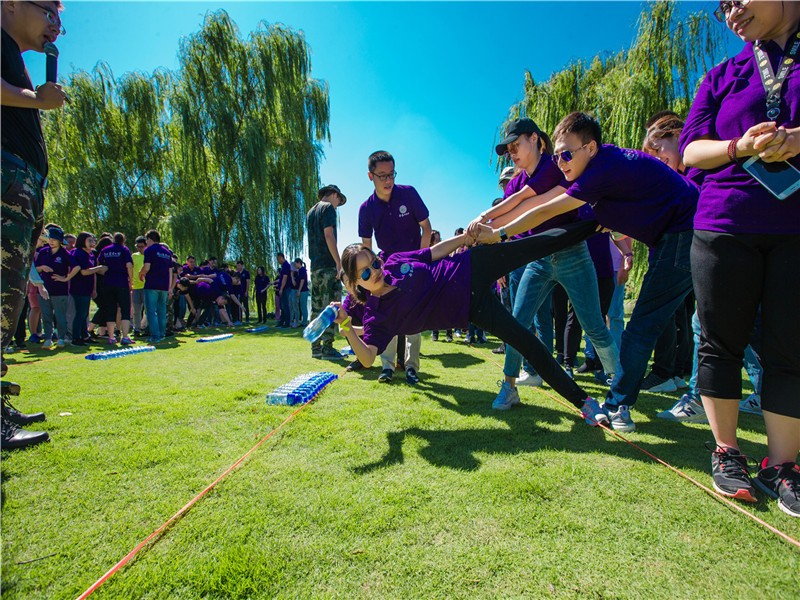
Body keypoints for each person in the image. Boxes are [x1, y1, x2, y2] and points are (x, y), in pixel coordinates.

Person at [471, 111, 698, 432]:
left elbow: (548, 207)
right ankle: (513, 386)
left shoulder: (596, 170)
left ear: (590, 148)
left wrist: (497, 234)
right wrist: (489, 225)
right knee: (518, 321)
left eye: (567, 154)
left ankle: (618, 398)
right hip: (663, 237)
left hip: (683, 231)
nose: (561, 161)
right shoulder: (593, 170)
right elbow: (535, 204)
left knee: (629, 325)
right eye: (559, 155)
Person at [678, 0, 800, 515]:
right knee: (719, 340)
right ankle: (727, 451)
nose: (732, 12)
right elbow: (689, 151)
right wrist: (737, 147)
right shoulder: (721, 75)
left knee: (789, 345)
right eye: (723, 6)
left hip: (794, 227)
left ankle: (784, 463)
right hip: (724, 220)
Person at [335, 223, 608, 426]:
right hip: (473, 309)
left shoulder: (394, 262)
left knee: (532, 245)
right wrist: (347, 328)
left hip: (471, 266)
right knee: (527, 343)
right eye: (367, 272)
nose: (377, 271)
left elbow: (432, 252)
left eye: (375, 262)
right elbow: (368, 358)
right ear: (355, 282)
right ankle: (583, 402)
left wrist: (464, 239)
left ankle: (596, 223)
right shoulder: (376, 316)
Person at [472, 118, 621, 411]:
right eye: (509, 148)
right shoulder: (515, 181)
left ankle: (618, 388)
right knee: (515, 323)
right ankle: (509, 386)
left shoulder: (555, 167)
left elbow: (527, 205)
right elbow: (507, 218)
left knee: (593, 325)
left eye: (517, 145)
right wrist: (480, 229)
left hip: (573, 255)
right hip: (536, 260)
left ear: (536, 140)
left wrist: (485, 219)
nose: (512, 152)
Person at [1, 0, 67, 448]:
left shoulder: (11, 54)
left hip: (21, 186)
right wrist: (34, 99)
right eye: (48, 10)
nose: (55, 25)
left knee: (5, 305)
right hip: (7, 180)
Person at [358, 150, 433, 384]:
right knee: (387, 315)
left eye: (391, 174)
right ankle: (387, 366)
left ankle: (412, 366)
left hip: (413, 264)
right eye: (382, 176)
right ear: (370, 176)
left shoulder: (408, 194)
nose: (388, 180)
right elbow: (366, 248)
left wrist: (420, 259)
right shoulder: (366, 208)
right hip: (386, 267)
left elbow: (426, 228)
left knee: (414, 316)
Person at [306, 184, 346, 358]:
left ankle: (315, 347)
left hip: (315, 266)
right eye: (339, 201)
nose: (338, 205)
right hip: (328, 265)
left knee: (316, 307)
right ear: (334, 195)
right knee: (331, 306)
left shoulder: (310, 212)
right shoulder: (328, 208)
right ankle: (328, 348)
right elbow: (329, 235)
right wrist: (338, 263)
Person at [34, 226, 75, 348]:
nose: (51, 241)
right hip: (43, 289)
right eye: (50, 238)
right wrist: (42, 268)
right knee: (46, 315)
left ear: (60, 241)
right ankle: (48, 338)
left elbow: (77, 266)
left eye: (54, 239)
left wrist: (66, 278)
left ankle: (61, 338)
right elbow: (34, 269)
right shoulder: (43, 251)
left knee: (60, 316)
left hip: (60, 290)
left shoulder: (65, 253)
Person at [69, 232, 107, 346]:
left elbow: (92, 273)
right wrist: (99, 268)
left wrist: (94, 289)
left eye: (93, 241)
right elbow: (84, 271)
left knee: (84, 314)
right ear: (82, 241)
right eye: (89, 240)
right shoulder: (78, 253)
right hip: (78, 288)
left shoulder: (91, 254)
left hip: (87, 288)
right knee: (80, 313)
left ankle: (85, 336)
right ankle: (76, 338)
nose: (92, 243)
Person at [97, 232, 134, 345]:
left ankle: (111, 337)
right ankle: (125, 336)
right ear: (123, 240)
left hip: (107, 283)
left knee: (110, 309)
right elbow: (129, 265)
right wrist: (131, 280)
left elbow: (99, 264)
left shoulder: (105, 250)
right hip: (121, 282)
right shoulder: (124, 249)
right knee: (125, 309)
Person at [139, 229, 174, 343]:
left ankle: (155, 335)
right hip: (164, 286)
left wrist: (141, 272)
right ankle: (162, 333)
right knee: (162, 311)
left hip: (152, 284)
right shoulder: (167, 252)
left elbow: (147, 267)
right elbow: (170, 271)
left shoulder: (149, 250)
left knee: (151, 311)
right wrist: (169, 288)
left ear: (149, 239)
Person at [130, 237, 147, 335]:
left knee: (148, 310)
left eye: (142, 247)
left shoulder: (149, 256)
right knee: (136, 310)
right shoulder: (133, 256)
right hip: (136, 286)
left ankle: (145, 327)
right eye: (138, 247)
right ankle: (136, 329)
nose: (140, 249)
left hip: (146, 286)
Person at [276, 252, 291, 328]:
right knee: (282, 306)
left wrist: (281, 288)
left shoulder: (286, 265)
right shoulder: (283, 266)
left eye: (278, 259)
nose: (277, 260)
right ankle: (282, 321)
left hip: (285, 288)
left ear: (281, 257)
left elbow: (284, 278)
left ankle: (287, 323)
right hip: (283, 288)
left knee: (285, 306)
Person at [295, 258, 309, 327]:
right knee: (301, 306)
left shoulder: (302, 270)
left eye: (295, 263)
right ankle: (303, 321)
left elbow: (302, 281)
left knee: (303, 307)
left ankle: (305, 322)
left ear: (298, 263)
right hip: (302, 291)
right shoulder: (299, 270)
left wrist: (299, 291)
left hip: (303, 291)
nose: (295, 265)